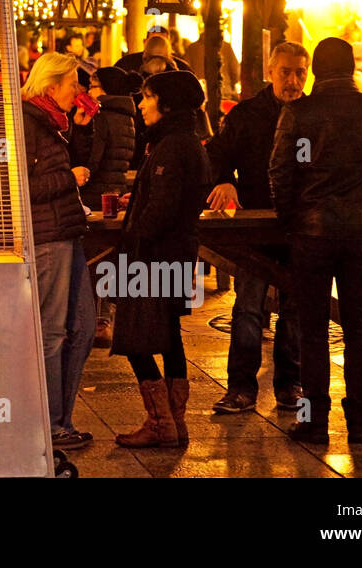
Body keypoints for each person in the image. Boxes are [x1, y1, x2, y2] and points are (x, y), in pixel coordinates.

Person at [269, 37, 362, 445]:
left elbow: (281, 172)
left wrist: (291, 217)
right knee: (358, 328)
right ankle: (360, 424)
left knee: (312, 330)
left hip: (311, 234)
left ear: (316, 70)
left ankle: (315, 422)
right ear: (350, 69)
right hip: (360, 232)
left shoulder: (299, 114)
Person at [206, 41, 309, 415]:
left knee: (296, 309)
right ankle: (241, 388)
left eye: (300, 72)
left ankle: (289, 385)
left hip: (300, 228)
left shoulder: (312, 115)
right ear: (270, 71)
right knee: (248, 307)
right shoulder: (246, 115)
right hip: (255, 226)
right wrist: (224, 180)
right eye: (286, 72)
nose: (293, 81)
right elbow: (216, 156)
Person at [112, 70, 210, 449]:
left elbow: (164, 209)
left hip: (155, 258)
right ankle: (174, 422)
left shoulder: (173, 145)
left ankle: (160, 422)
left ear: (166, 104)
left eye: (148, 97)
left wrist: (136, 235)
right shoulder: (182, 140)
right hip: (176, 254)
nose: (141, 105)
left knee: (135, 339)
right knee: (169, 336)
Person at [21, 52, 96, 451]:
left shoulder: (56, 123)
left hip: (68, 232)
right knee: (52, 331)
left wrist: (81, 134)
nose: (78, 92)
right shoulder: (29, 122)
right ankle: (50, 425)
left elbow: (76, 167)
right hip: (48, 238)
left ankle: (60, 418)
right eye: (73, 85)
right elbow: (22, 189)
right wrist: (68, 178)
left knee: (83, 326)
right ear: (52, 87)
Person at [74, 66, 138, 206]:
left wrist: (80, 128)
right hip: (116, 190)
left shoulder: (102, 117)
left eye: (93, 86)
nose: (88, 91)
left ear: (107, 89)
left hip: (96, 195)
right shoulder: (126, 116)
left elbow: (92, 160)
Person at [115, 30, 190, 75]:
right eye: (154, 41)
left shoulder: (126, 64)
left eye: (161, 41)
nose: (157, 44)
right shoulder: (182, 70)